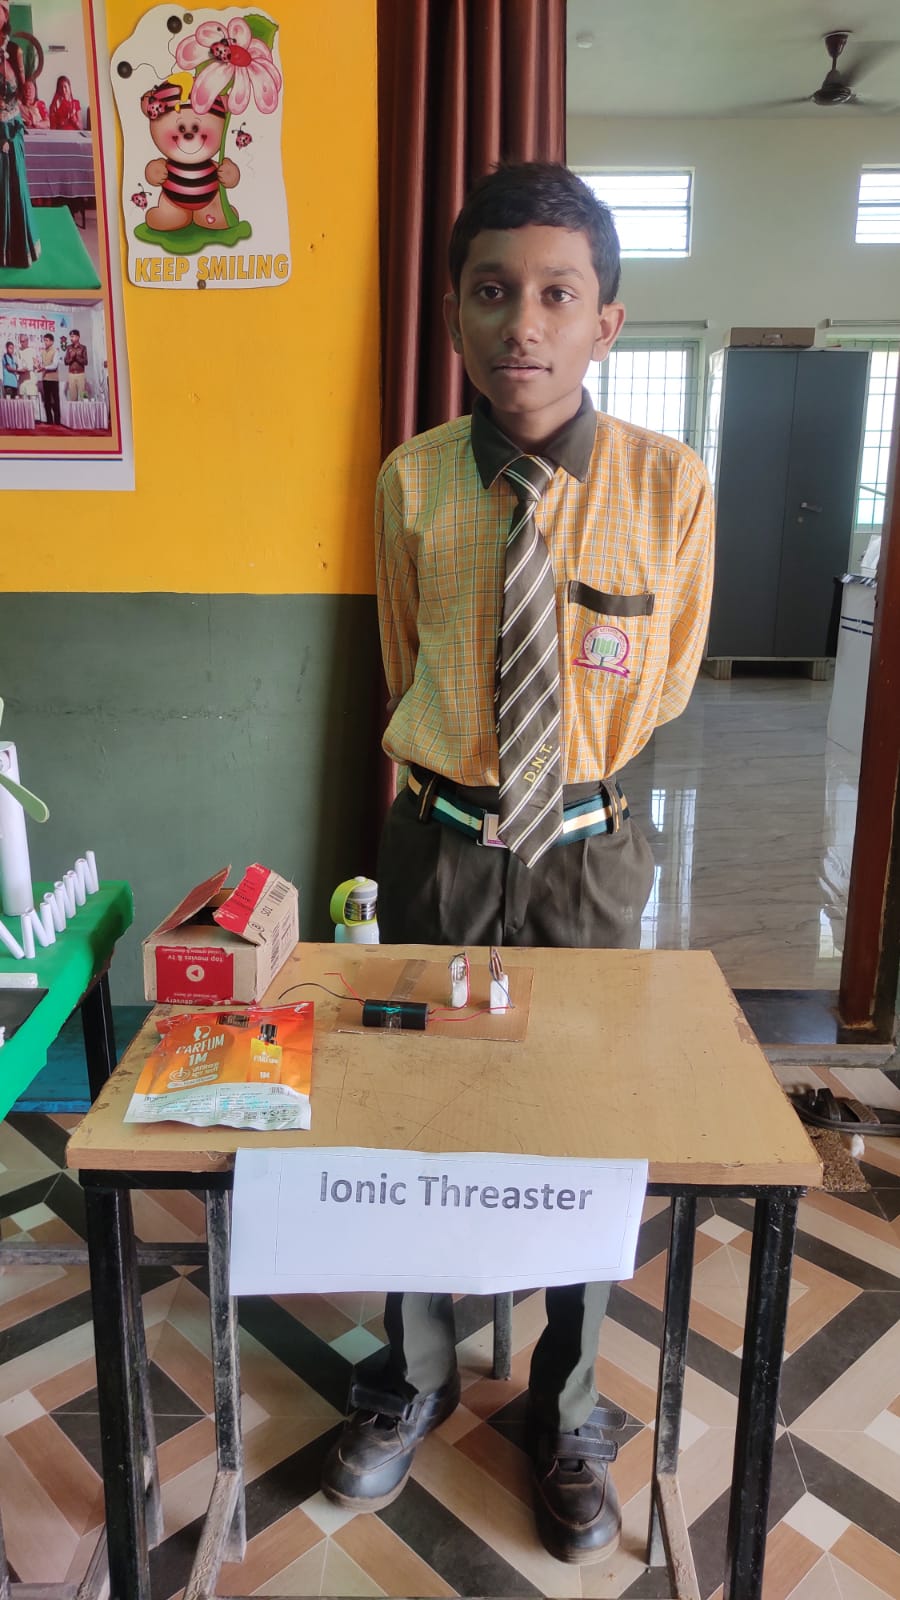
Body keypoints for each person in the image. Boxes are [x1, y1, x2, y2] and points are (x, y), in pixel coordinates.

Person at [321, 164, 714, 1565]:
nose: (522, 324)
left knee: (583, 1129)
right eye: (492, 292)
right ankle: (413, 1371)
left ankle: (570, 1402)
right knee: (415, 1113)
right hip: (437, 843)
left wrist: (564, 786)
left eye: (556, 294)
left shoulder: (668, 486)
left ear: (607, 320)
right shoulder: (413, 480)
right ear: (454, 314)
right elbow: (403, 655)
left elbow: (666, 679)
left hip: (587, 862)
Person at [0, 10, 40, 267]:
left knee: (13, 183)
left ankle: (16, 250)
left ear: (5, 15)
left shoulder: (14, 49)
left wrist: (29, 94)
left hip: (11, 127)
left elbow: (25, 93)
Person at [40, 331, 60, 424]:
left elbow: (54, 365)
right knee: (47, 400)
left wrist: (45, 367)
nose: (45, 342)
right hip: (45, 378)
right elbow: (43, 364)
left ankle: (57, 420)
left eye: (47, 340)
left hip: (53, 379)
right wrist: (39, 367)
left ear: (52, 341)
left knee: (55, 400)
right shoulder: (43, 352)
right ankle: (49, 420)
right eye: (44, 340)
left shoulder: (55, 351)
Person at [64, 327, 87, 400]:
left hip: (81, 374)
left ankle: (85, 406)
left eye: (72, 336)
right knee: (73, 398)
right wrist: (72, 358)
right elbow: (66, 362)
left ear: (78, 337)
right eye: (70, 337)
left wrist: (76, 357)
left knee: (84, 397)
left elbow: (86, 362)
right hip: (71, 375)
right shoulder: (68, 347)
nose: (71, 338)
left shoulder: (83, 347)